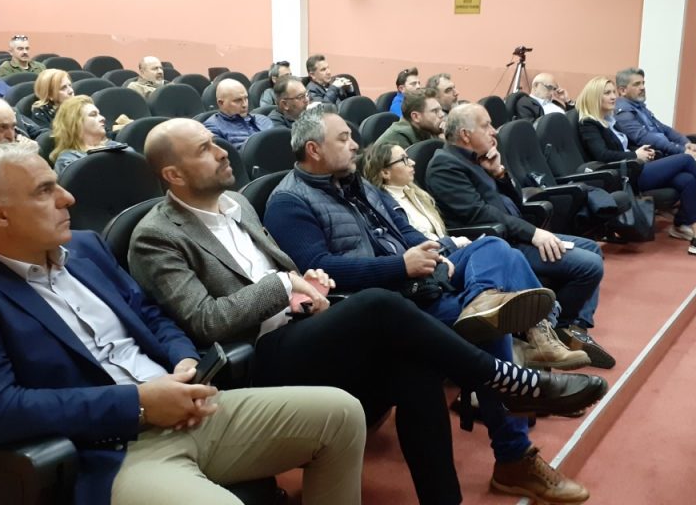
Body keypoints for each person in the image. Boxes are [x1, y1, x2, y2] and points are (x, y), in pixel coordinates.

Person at [129, 117, 606, 504]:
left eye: (216, 143)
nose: (222, 152)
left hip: (311, 324)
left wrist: (308, 282)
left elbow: (286, 269)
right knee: (380, 305)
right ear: (174, 175)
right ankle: (507, 380)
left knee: (418, 366)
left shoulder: (236, 204)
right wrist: (285, 284)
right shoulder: (156, 236)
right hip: (258, 359)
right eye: (205, 149)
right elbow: (206, 320)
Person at [0, 141, 368, 505]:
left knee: (342, 413)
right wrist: (138, 404)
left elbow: (150, 314)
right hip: (110, 450)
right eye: (44, 191)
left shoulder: (86, 248)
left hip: (186, 408)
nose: (68, 198)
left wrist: (184, 360)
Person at [363, 141, 590, 370]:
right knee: (495, 245)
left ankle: (536, 342)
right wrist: (450, 243)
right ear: (384, 172)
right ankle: (533, 332)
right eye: (403, 159)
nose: (412, 162)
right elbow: (413, 244)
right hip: (433, 265)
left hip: (447, 255)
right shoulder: (383, 204)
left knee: (509, 255)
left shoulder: (416, 194)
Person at [426, 104, 615, 369]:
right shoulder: (444, 165)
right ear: (466, 135)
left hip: (516, 234)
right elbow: (479, 215)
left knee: (591, 248)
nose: (494, 131)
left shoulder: (478, 159)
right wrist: (533, 233)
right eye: (486, 125)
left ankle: (572, 328)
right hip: (499, 246)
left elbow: (515, 203)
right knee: (589, 265)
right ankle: (555, 330)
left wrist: (500, 174)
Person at [576, 77, 696, 259]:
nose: (613, 96)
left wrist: (643, 151)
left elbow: (624, 146)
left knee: (687, 179)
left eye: (613, 92)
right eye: (607, 93)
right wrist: (634, 155)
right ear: (595, 97)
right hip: (624, 175)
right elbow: (602, 155)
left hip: (636, 167)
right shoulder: (589, 123)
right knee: (686, 160)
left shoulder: (610, 120)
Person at [614, 67, 696, 179]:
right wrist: (682, 150)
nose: (642, 87)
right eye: (636, 84)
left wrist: (685, 143)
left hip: (665, 153)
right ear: (622, 90)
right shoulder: (623, 112)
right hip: (653, 159)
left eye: (643, 83)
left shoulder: (640, 107)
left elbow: (665, 129)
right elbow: (644, 138)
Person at [50, 95, 124, 175]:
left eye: (99, 114)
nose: (102, 118)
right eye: (93, 115)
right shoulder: (68, 160)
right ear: (75, 123)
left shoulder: (116, 147)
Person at [202, 79, 273, 150]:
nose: (245, 105)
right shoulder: (213, 128)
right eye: (238, 100)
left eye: (246, 98)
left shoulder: (263, 119)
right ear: (221, 103)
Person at [374, 89, 445, 150]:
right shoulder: (397, 141)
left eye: (441, 110)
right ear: (415, 117)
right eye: (435, 111)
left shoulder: (426, 129)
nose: (442, 114)